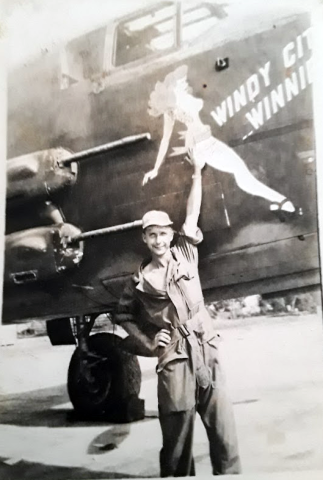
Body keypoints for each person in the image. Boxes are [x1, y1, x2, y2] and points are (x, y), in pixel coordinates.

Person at [115, 150, 241, 476]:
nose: (159, 239)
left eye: (163, 233)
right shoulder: (139, 280)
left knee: (225, 436)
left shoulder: (186, 253)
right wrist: (149, 343)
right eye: (152, 234)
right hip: (174, 360)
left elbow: (192, 213)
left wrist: (197, 173)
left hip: (205, 347)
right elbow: (122, 316)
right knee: (176, 445)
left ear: (171, 235)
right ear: (145, 238)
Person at [143, 65, 301, 219]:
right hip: (206, 146)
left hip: (203, 146)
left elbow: (165, 139)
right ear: (173, 88)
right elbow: (195, 109)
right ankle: (283, 202)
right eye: (182, 82)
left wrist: (156, 168)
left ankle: (277, 200)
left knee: (240, 173)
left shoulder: (171, 111)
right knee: (240, 171)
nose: (186, 84)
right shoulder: (183, 101)